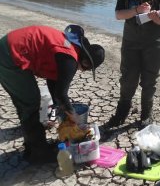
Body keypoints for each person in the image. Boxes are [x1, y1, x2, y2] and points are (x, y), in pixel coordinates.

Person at [0, 24, 105, 164]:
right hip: (10, 54)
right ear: (85, 59)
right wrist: (73, 116)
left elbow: (54, 82)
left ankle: (32, 147)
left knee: (26, 104)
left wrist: (58, 106)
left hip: (9, 48)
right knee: (30, 103)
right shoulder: (70, 58)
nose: (83, 70)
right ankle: (39, 153)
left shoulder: (70, 49)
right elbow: (62, 94)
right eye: (86, 66)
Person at [104, 0, 160, 130]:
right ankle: (122, 112)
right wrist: (136, 11)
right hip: (131, 41)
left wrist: (157, 18)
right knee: (128, 78)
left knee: (150, 81)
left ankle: (146, 115)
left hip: (154, 42)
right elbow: (118, 15)